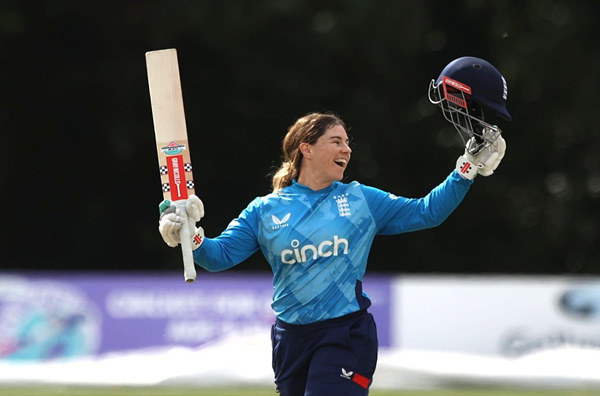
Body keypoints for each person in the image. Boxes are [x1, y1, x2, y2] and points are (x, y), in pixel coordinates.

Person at [157, 56, 511, 396]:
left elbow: (427, 212)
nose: (347, 149)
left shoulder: (362, 200)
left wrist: (465, 169)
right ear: (306, 149)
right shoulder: (265, 210)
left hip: (346, 334)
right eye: (336, 141)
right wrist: (187, 235)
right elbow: (219, 256)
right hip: (289, 340)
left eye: (347, 142)